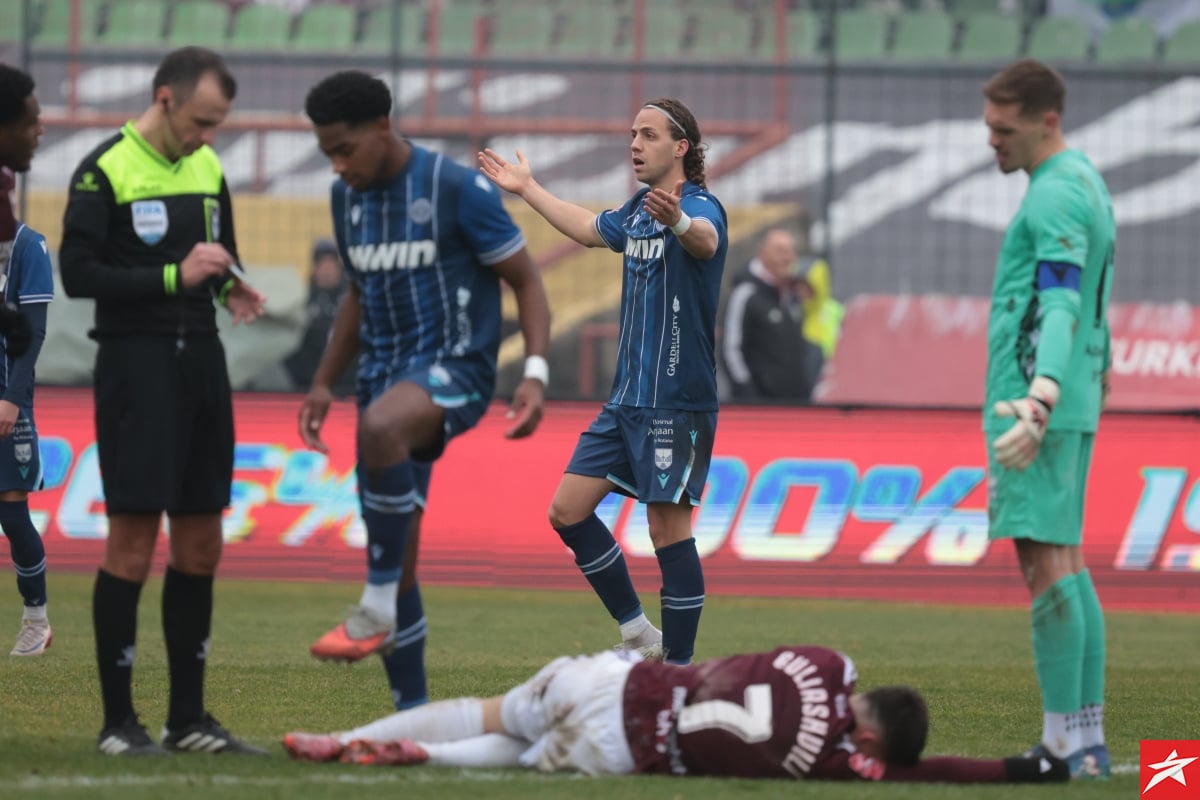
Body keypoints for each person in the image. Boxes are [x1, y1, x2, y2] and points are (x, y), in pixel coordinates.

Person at [298, 70, 551, 714]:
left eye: (345, 148)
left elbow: (525, 280)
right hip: (381, 378)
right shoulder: (346, 198)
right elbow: (357, 293)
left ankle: (374, 605)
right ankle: (411, 716)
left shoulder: (457, 189)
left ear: (382, 127)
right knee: (397, 546)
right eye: (327, 153)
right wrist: (324, 381)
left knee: (382, 430)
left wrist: (535, 371)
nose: (338, 164)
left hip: (455, 368)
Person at [59, 46, 267, 756]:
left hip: (201, 362)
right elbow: (78, 273)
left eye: (218, 124)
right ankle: (119, 723)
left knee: (202, 543)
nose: (208, 136)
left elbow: (219, 253)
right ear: (165, 98)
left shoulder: (208, 167)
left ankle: (188, 721)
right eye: (201, 121)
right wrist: (176, 276)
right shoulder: (105, 169)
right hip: (135, 365)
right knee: (132, 541)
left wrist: (229, 284)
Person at [479, 99, 728, 666]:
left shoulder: (700, 206)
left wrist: (679, 222)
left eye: (648, 135)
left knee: (667, 531)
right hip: (625, 402)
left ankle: (678, 669)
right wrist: (528, 188)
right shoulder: (638, 210)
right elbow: (591, 229)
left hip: (675, 401)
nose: (635, 144)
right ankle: (638, 633)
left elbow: (706, 241)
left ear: (681, 147)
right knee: (567, 511)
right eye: (632, 134)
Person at [282, 643, 1069, 785]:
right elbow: (933, 774)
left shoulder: (829, 661)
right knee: (524, 757)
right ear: (869, 739)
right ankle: (433, 762)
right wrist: (1023, 770)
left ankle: (348, 738)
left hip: (622, 680)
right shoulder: (842, 761)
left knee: (491, 712)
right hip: (625, 746)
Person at [981, 59, 1113, 780]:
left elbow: (1061, 301)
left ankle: (1064, 745)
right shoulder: (1084, 179)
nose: (993, 141)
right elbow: (1092, 299)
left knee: (1046, 565)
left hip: (1031, 401)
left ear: (1047, 121)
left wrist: (1042, 394)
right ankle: (1085, 740)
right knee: (1067, 560)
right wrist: (1087, 376)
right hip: (1069, 393)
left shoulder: (1054, 193)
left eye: (1004, 129)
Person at [0, 64, 53, 657]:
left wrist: (12, 397)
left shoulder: (28, 247)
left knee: (12, 516)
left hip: (6, 401)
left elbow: (32, 334)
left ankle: (36, 619)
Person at [721, 227, 823, 403]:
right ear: (762, 254)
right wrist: (749, 396)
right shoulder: (745, 294)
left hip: (794, 405)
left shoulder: (790, 296)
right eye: (780, 251)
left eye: (791, 251)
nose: (788, 258)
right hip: (760, 408)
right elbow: (731, 351)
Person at [281, 238, 354, 396]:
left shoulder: (352, 301)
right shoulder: (300, 299)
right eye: (322, 264)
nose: (327, 270)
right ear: (315, 268)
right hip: (307, 385)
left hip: (347, 386)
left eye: (331, 264)